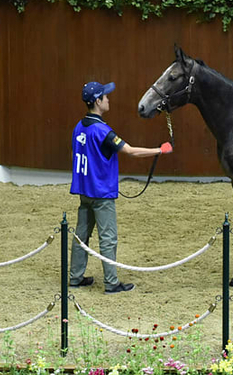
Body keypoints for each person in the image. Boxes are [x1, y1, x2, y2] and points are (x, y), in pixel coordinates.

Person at [69, 81, 172, 293]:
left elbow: (75, 155)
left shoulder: (79, 127)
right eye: (105, 97)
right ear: (98, 101)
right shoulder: (102, 131)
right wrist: (159, 151)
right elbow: (131, 151)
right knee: (108, 238)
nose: (108, 99)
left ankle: (75, 277)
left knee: (81, 236)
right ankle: (111, 282)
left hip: (85, 191)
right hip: (101, 194)